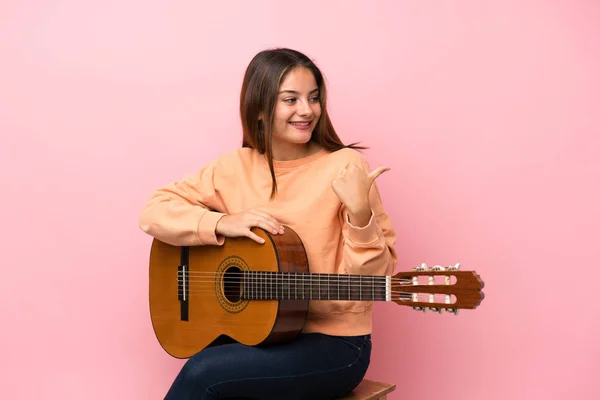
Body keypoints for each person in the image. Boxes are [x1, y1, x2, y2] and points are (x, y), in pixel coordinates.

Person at [138, 48, 398, 400]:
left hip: (334, 347)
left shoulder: (346, 167)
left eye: (314, 98)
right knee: (210, 364)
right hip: (259, 335)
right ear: (259, 110)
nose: (307, 110)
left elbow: (371, 280)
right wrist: (220, 223)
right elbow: (154, 211)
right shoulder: (235, 167)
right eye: (290, 99)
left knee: (203, 374)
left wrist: (361, 216)